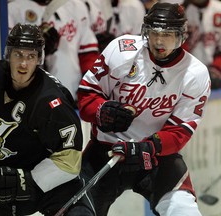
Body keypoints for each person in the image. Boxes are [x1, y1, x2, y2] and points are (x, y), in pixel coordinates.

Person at [78, 2, 211, 216]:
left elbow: (180, 131)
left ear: (181, 35)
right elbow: (86, 96)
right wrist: (103, 112)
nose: (159, 41)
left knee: (184, 211)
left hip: (157, 157)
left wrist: (149, 147)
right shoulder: (121, 50)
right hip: (106, 150)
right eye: (154, 33)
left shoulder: (195, 73)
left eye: (167, 34)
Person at [0, 23, 95, 216]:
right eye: (18, 54)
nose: (23, 64)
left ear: (39, 59)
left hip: (53, 187)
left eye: (31, 56)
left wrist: (27, 180)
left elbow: (69, 161)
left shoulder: (53, 101)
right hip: (1, 180)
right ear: (8, 55)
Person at [8, 0, 99, 103]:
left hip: (72, 98)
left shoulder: (76, 5)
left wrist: (88, 90)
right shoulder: (13, 10)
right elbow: (11, 64)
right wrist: (39, 52)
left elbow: (87, 53)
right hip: (33, 101)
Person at [181, 0, 221, 89]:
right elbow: (177, 48)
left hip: (217, 73)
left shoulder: (219, 8)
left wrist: (217, 68)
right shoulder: (180, 11)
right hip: (188, 72)